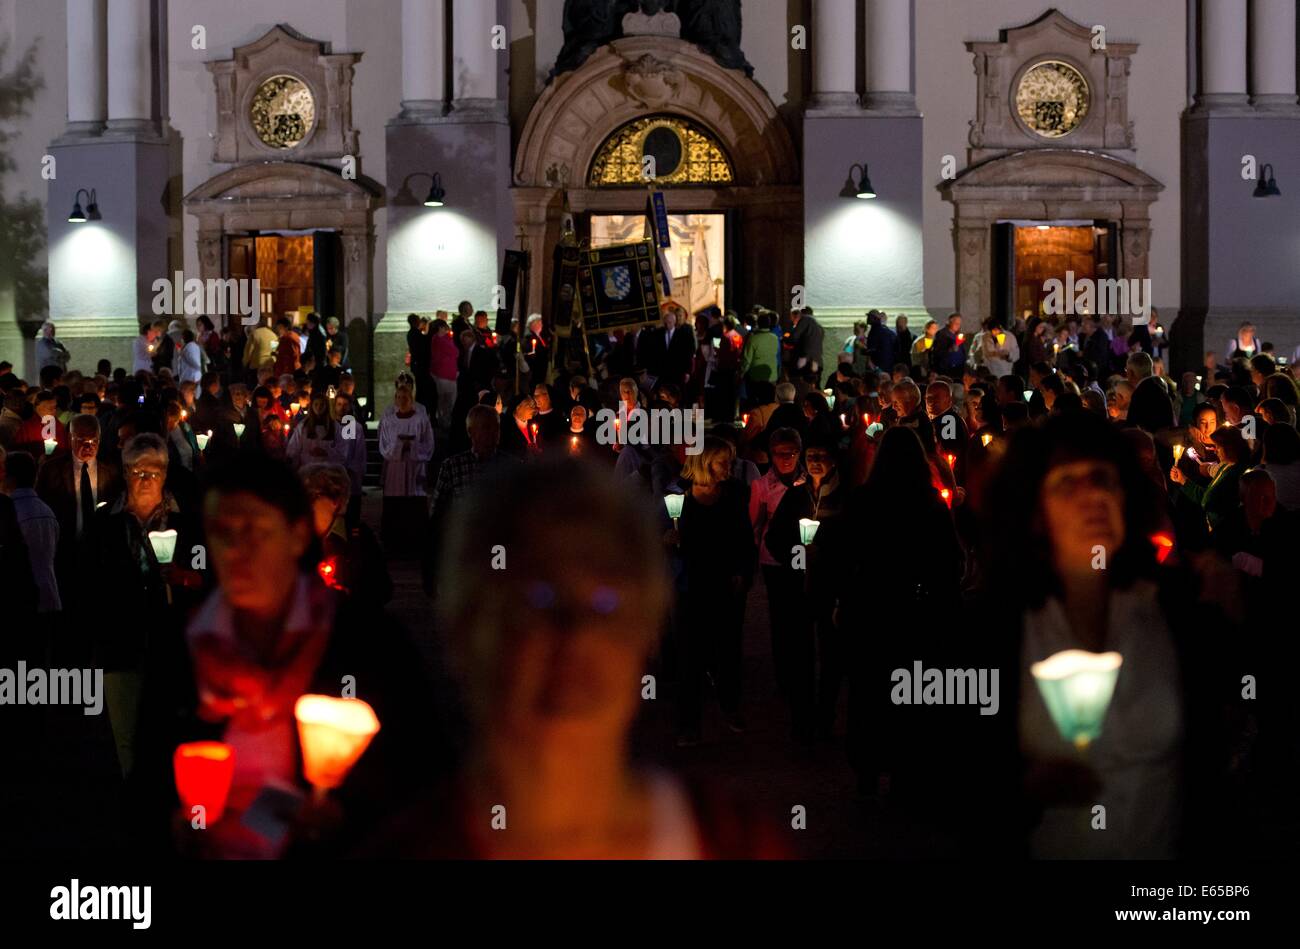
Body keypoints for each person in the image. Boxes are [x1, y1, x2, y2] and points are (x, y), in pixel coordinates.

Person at [361, 457, 780, 858]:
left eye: (605, 603)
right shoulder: (411, 850)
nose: (575, 638)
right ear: (464, 629)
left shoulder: (734, 843)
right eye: (537, 602)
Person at [127, 453, 449, 858]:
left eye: (255, 530)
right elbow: (147, 784)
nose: (236, 550)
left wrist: (344, 819)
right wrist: (173, 829)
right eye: (222, 532)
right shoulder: (184, 641)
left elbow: (422, 782)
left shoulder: (364, 644)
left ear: (297, 535)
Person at [976, 412, 1230, 858]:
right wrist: (1024, 786)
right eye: (1067, 484)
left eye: (1101, 479)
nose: (1091, 495)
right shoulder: (1003, 626)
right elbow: (955, 774)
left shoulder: (1172, 608)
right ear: (1035, 512)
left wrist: (1236, 617)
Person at [90, 433, 206, 778]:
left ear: (166, 473)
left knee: (169, 731)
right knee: (126, 735)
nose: (145, 479)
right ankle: (133, 800)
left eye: (154, 471)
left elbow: (208, 572)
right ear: (124, 473)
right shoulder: (105, 522)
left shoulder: (188, 522)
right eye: (137, 471)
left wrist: (187, 577)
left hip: (171, 643)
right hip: (120, 642)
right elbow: (88, 578)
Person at [663, 437, 755, 747]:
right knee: (689, 655)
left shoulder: (734, 495)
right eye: (722, 462)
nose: (729, 467)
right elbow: (656, 536)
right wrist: (667, 538)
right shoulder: (678, 496)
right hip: (689, 584)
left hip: (723, 582)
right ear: (704, 463)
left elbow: (744, 537)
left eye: (730, 461)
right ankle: (688, 723)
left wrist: (743, 571)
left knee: (727, 648)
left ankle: (730, 705)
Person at [423, 405, 518, 598]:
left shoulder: (512, 467)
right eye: (486, 427)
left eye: (496, 427)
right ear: (470, 432)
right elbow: (437, 516)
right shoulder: (453, 467)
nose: (493, 433)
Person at [300, 463, 392, 609]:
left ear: (336, 500)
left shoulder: (360, 537)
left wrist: (348, 597)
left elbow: (383, 590)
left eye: (313, 496)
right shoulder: (293, 538)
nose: (304, 503)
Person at [378, 383, 435, 556]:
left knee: (414, 505)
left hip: (414, 468)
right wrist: (400, 446)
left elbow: (429, 445)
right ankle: (394, 546)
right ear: (395, 399)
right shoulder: (389, 421)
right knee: (395, 507)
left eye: (406, 398)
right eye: (399, 397)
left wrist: (413, 446)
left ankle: (415, 545)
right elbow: (384, 446)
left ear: (412, 400)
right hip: (395, 469)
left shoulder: (421, 420)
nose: (402, 401)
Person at [2, 450, 60, 615]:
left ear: (9, 478)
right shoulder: (48, 511)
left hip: (22, 599)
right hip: (50, 595)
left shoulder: (11, 513)